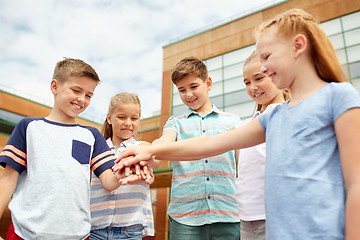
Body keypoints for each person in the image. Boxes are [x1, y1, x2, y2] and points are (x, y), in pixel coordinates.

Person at [115, 9, 360, 240]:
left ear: (298, 46)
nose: (262, 67)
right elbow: (210, 144)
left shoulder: (339, 96)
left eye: (266, 57)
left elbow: (356, 183)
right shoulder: (272, 117)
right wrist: (150, 150)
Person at [0, 58, 149, 240]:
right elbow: (7, 181)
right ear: (55, 86)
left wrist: (122, 174)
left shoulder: (92, 136)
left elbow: (108, 182)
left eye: (89, 95)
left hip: (77, 235)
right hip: (25, 234)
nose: (82, 99)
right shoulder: (29, 127)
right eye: (76, 90)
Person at [142, 56, 241, 240]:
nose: (188, 94)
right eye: (181, 90)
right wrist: (149, 156)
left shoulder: (233, 121)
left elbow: (242, 167)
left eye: (193, 87)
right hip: (185, 217)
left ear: (208, 83)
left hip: (228, 214)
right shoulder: (175, 123)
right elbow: (165, 142)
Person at [236, 50, 290, 240]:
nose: (253, 87)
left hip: (274, 216)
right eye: (247, 82)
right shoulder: (248, 123)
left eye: (259, 78)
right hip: (245, 216)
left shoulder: (287, 113)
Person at [90, 92, 154, 240]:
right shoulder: (96, 149)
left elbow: (154, 158)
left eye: (134, 118)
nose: (128, 123)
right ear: (109, 118)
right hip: (95, 229)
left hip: (130, 230)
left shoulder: (143, 148)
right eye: (121, 117)